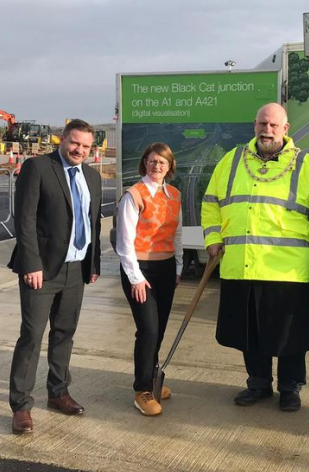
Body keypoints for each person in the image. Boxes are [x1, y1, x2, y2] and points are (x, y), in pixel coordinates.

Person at [201, 102, 309, 412]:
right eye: (263, 124)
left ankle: (290, 388)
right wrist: (212, 238)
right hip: (241, 266)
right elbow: (211, 202)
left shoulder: (306, 166)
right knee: (250, 333)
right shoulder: (232, 161)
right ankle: (258, 383)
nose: (268, 130)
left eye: (274, 125)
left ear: (286, 129)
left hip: (286, 270)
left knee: (290, 336)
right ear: (254, 125)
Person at [7, 119, 101, 435]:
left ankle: (58, 392)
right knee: (32, 335)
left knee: (64, 332)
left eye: (86, 146)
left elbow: (94, 225)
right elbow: (25, 220)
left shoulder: (92, 176)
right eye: (75, 143)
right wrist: (31, 264)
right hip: (42, 270)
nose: (80, 150)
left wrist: (93, 264)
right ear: (63, 140)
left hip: (76, 268)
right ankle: (21, 406)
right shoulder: (37, 168)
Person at [115, 143, 183, 416]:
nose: (157, 166)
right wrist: (135, 278)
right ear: (145, 163)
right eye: (152, 161)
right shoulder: (134, 195)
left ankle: (153, 381)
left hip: (165, 268)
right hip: (139, 269)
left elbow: (177, 234)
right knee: (148, 329)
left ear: (169, 167)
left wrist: (178, 267)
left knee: (160, 328)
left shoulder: (174, 195)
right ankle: (142, 389)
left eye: (162, 162)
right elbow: (124, 242)